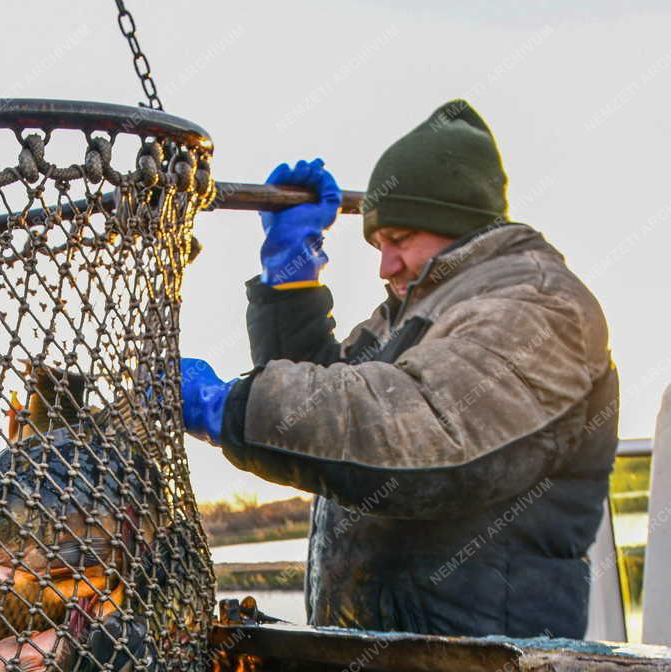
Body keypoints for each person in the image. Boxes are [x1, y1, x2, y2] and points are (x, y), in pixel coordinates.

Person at [180, 100, 619, 639]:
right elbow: (322, 403)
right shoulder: (414, 315)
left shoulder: (538, 305)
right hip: (395, 663)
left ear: (457, 225)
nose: (384, 266)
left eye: (400, 240)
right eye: (378, 244)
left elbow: (422, 434)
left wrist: (228, 406)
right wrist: (289, 281)